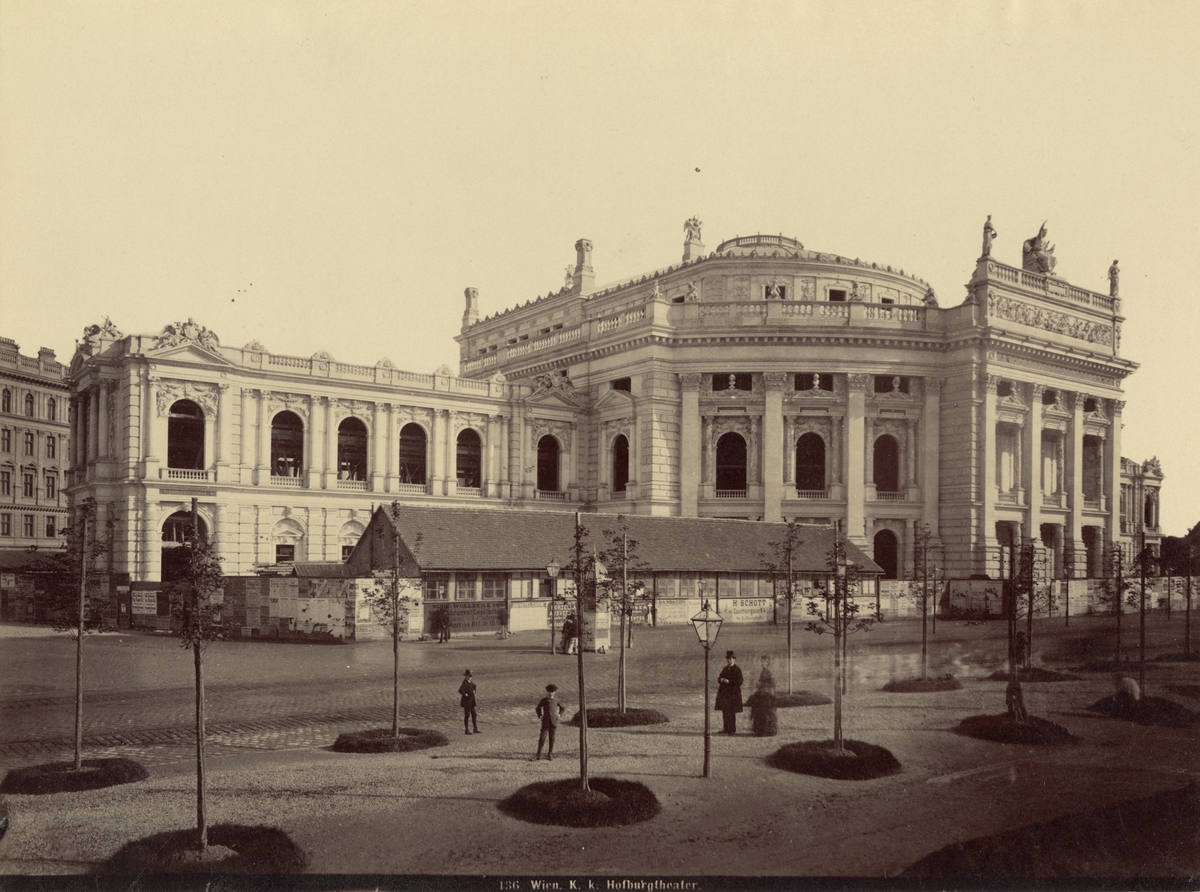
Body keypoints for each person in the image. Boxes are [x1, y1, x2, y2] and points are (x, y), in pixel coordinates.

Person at [748, 655, 778, 737]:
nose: (762, 663)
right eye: (762, 662)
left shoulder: (768, 672)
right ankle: (763, 730)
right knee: (762, 712)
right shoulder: (763, 671)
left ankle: (765, 730)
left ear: (768, 663)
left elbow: (772, 683)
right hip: (763, 694)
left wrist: (760, 684)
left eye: (764, 662)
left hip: (766, 695)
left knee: (764, 713)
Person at [533, 683, 565, 760]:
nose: (551, 693)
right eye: (549, 691)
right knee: (542, 738)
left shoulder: (556, 700)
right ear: (547, 692)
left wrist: (559, 715)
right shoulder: (543, 700)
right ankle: (538, 754)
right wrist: (540, 716)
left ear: (555, 692)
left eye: (552, 691)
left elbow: (563, 708)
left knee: (552, 738)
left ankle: (550, 754)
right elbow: (537, 708)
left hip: (554, 722)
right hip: (545, 722)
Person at [715, 651, 744, 734]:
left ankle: (732, 729)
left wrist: (729, 681)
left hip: (733, 695)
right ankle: (726, 728)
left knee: (731, 712)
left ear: (734, 659)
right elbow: (719, 678)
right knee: (725, 711)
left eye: (730, 659)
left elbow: (740, 681)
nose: (728, 660)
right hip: (725, 694)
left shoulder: (737, 669)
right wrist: (721, 680)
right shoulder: (725, 669)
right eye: (727, 659)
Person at [458, 669, 478, 734]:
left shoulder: (470, 682)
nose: (469, 677)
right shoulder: (465, 683)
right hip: (466, 702)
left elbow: (474, 686)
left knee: (474, 715)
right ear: (466, 676)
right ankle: (466, 730)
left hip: (471, 701)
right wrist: (465, 694)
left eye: (470, 676)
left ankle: (475, 729)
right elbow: (460, 690)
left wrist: (474, 690)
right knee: (467, 715)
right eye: (468, 676)